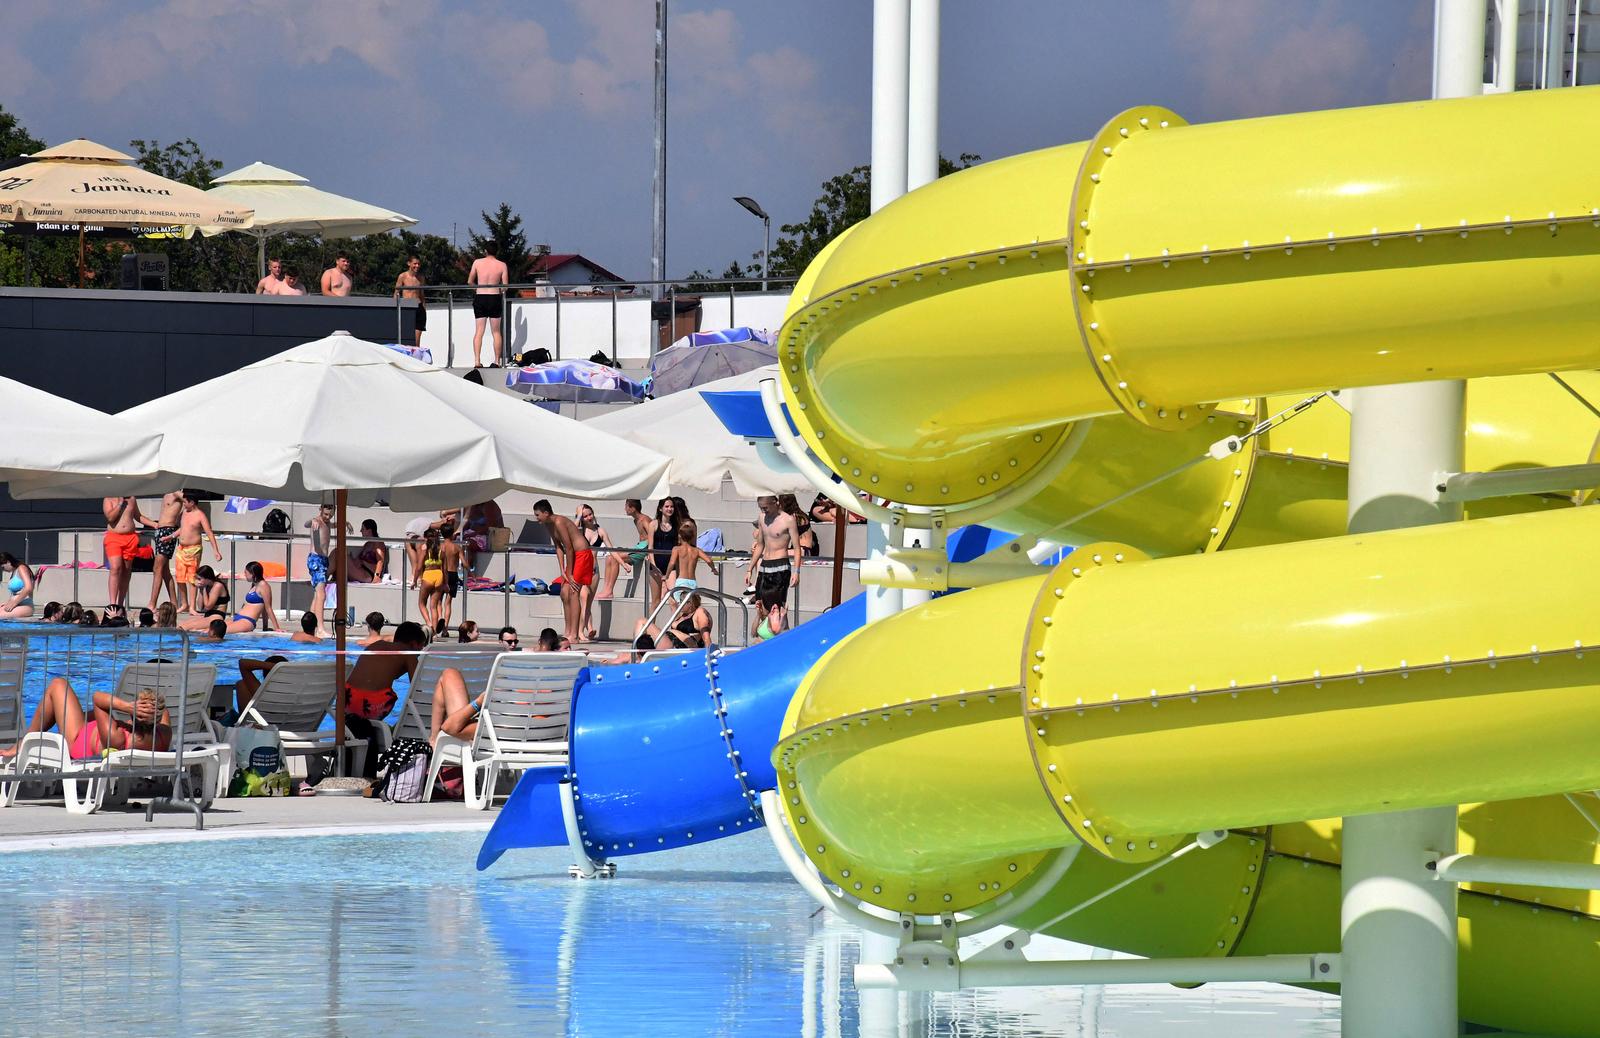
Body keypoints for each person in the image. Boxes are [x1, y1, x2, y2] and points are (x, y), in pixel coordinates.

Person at [0, 678, 169, 761]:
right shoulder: (163, 736)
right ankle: (28, 739)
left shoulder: (117, 736)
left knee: (58, 685)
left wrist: (126, 706)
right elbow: (164, 710)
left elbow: (97, 698)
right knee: (71, 708)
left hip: (76, 739)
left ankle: (25, 741)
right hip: (95, 732)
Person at [344, 620, 427, 776]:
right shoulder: (407, 653)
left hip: (347, 700)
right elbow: (418, 687)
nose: (420, 652)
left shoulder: (375, 645)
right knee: (391, 696)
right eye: (421, 647)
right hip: (372, 705)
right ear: (414, 644)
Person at [532, 499, 591, 646]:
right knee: (564, 593)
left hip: (582, 554)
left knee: (572, 591)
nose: (536, 518)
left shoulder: (559, 522)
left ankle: (575, 635)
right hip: (574, 558)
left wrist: (569, 573)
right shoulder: (548, 524)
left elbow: (569, 548)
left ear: (546, 513)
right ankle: (568, 631)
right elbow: (558, 547)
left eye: (538, 515)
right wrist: (562, 570)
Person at [746, 495, 802, 607]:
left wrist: (796, 571)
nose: (763, 510)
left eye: (765, 507)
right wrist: (750, 569)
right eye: (761, 508)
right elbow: (760, 545)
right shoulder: (762, 518)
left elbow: (797, 548)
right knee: (760, 607)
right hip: (765, 565)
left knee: (776, 608)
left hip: (780, 566)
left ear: (775, 502)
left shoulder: (788, 520)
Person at [173, 493, 221, 615]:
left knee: (192, 579)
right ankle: (184, 604)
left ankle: (192, 607)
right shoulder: (184, 513)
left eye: (185, 502)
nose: (183, 504)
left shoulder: (200, 515)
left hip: (193, 549)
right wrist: (171, 536)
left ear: (192, 502)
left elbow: (209, 532)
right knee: (179, 578)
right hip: (181, 549)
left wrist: (216, 550)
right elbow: (183, 528)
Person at [596, 498, 652, 601]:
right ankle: (606, 589)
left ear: (633, 508)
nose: (625, 508)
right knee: (610, 556)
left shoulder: (644, 520)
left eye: (626, 506)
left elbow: (653, 536)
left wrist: (650, 552)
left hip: (644, 549)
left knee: (614, 558)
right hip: (639, 547)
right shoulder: (636, 520)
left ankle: (610, 591)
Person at [574, 503, 614, 641]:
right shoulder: (579, 531)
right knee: (584, 599)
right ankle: (580, 632)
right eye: (585, 516)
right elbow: (571, 530)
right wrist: (578, 516)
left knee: (588, 603)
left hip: (594, 571)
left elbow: (612, 549)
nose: (589, 517)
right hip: (581, 570)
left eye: (590, 514)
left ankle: (588, 628)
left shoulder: (600, 531)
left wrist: (623, 564)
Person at [467, 240, 509, 367]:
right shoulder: (502, 265)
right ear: (497, 251)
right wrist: (498, 291)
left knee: (479, 331)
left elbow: (470, 281)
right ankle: (497, 361)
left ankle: (477, 361)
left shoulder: (477, 263)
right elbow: (505, 286)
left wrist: (478, 289)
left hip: (480, 297)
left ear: (485, 251)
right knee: (496, 332)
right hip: (494, 297)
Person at [102, 496, 144, 610]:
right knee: (115, 568)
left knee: (126, 570)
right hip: (114, 537)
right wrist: (120, 503)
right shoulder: (108, 499)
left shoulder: (132, 499)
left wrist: (154, 524)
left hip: (130, 538)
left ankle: (120, 604)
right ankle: (112, 603)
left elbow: (138, 516)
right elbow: (110, 518)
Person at [304, 504, 339, 638]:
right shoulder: (316, 521)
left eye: (330, 515)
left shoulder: (328, 523)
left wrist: (345, 522)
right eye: (325, 514)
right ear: (320, 510)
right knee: (321, 594)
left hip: (323, 561)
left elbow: (333, 525)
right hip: (316, 560)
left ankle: (310, 626)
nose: (328, 517)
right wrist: (312, 520)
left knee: (317, 595)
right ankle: (320, 628)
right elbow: (306, 524)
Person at [635, 591, 713, 651]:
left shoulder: (699, 612)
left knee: (642, 621)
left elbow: (706, 637)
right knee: (643, 626)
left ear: (689, 603)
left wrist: (708, 656)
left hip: (685, 646)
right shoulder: (681, 615)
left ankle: (637, 654)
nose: (679, 604)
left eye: (681, 602)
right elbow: (672, 604)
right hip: (670, 643)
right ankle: (638, 652)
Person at [146, 490, 183, 613]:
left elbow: (189, 503)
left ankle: (152, 603)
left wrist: (180, 520)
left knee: (157, 568)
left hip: (168, 531)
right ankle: (174, 603)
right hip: (161, 531)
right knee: (165, 571)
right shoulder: (167, 493)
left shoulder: (177, 493)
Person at [663, 519, 716, 596]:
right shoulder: (696, 550)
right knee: (691, 606)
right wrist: (713, 569)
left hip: (681, 581)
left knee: (681, 605)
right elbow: (708, 560)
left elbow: (672, 563)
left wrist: (667, 576)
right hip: (692, 582)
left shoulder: (677, 549)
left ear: (680, 536)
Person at [226, 561, 279, 634]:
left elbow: (268, 608)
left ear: (253, 574)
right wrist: (265, 627)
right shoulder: (254, 585)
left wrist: (277, 628)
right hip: (238, 618)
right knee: (208, 630)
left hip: (247, 621)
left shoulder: (264, 585)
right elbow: (263, 608)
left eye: (246, 573)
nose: (244, 575)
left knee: (220, 632)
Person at [647, 496, 682, 605]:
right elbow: (650, 547)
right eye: (666, 506)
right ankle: (651, 622)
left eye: (671, 507)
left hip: (671, 566)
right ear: (660, 509)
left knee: (674, 599)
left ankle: (675, 622)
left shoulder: (676, 525)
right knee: (656, 601)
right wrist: (653, 565)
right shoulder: (653, 524)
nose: (669, 509)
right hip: (655, 566)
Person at [414, 527, 447, 636]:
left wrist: (414, 580)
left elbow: (418, 567)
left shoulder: (425, 550)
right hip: (439, 575)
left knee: (421, 603)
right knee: (434, 606)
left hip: (428, 575)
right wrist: (445, 583)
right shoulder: (441, 551)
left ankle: (429, 624)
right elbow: (445, 569)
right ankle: (434, 632)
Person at [178, 565, 230, 630]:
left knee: (186, 627)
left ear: (207, 579)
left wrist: (204, 589)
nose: (198, 581)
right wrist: (201, 590)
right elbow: (200, 606)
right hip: (208, 615)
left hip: (217, 617)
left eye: (199, 579)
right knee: (181, 625)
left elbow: (208, 607)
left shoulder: (217, 586)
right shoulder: (207, 586)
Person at [395, 255, 427, 349]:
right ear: (409, 263)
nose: (417, 266)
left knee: (417, 337)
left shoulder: (421, 277)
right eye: (415, 264)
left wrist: (424, 309)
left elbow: (422, 295)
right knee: (406, 336)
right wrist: (395, 308)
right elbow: (396, 293)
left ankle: (416, 355)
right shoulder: (403, 276)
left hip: (419, 307)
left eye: (418, 264)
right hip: (407, 308)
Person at [437, 519, 463, 634]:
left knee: (438, 601)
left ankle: (438, 620)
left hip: (442, 573)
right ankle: (445, 628)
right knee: (448, 602)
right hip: (453, 574)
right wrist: (471, 573)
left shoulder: (440, 547)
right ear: (452, 533)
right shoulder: (456, 547)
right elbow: (465, 563)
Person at [346, 519, 389, 584]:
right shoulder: (367, 544)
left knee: (341, 555)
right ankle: (326, 575)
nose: (360, 531)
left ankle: (326, 576)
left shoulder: (378, 543)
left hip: (368, 575)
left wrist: (377, 576)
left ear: (369, 530)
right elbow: (358, 561)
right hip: (360, 571)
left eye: (363, 529)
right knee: (338, 552)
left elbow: (380, 561)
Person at [780, 493, 819, 558]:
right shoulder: (799, 515)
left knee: (775, 553)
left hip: (804, 550)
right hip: (800, 550)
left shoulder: (796, 517)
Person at [0, 553, 35, 618]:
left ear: (8, 562)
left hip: (25, 605)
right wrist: (8, 603)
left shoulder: (22, 568)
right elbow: (16, 593)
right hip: (16, 604)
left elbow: (28, 588)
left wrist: (14, 603)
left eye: (3, 567)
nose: (3, 570)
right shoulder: (14, 571)